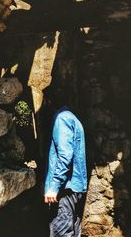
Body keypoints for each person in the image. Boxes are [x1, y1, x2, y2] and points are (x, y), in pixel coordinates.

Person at [43, 89, 87, 237]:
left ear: (49, 101)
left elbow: (65, 155)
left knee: (61, 232)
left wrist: (54, 186)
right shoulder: (72, 118)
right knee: (74, 232)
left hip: (65, 189)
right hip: (74, 187)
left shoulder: (61, 119)